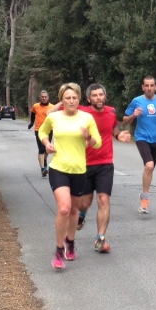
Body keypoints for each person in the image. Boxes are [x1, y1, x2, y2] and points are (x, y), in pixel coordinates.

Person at [49, 84, 132, 252]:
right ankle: (81, 215)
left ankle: (100, 238)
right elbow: (52, 114)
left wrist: (118, 134)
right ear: (88, 99)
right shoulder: (82, 112)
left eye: (101, 94)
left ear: (105, 96)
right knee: (83, 204)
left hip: (105, 163)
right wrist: (64, 94)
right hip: (83, 164)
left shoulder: (111, 111)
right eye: (94, 95)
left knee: (103, 199)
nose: (98, 98)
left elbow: (113, 126)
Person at [38, 83, 101, 270]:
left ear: (79, 99)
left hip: (79, 170)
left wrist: (89, 137)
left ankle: (70, 241)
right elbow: (42, 130)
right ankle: (58, 250)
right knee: (64, 208)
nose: (71, 101)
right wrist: (47, 143)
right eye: (67, 98)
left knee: (74, 210)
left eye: (74, 98)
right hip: (59, 168)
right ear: (62, 100)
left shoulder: (87, 118)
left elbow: (97, 143)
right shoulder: (54, 117)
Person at [124, 75, 156, 214]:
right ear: (143, 87)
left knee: (150, 169)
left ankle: (143, 195)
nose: (149, 88)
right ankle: (145, 199)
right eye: (146, 85)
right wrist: (133, 115)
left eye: (151, 85)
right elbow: (125, 120)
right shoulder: (137, 101)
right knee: (149, 165)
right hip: (142, 137)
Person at [28, 90, 55, 177]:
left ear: (48, 97)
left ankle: (44, 161)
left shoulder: (52, 107)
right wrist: (31, 123)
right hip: (38, 130)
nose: (44, 98)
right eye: (42, 97)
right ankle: (43, 169)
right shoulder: (36, 106)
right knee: (41, 149)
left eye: (45, 97)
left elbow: (55, 118)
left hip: (49, 130)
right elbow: (32, 113)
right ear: (40, 97)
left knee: (47, 149)